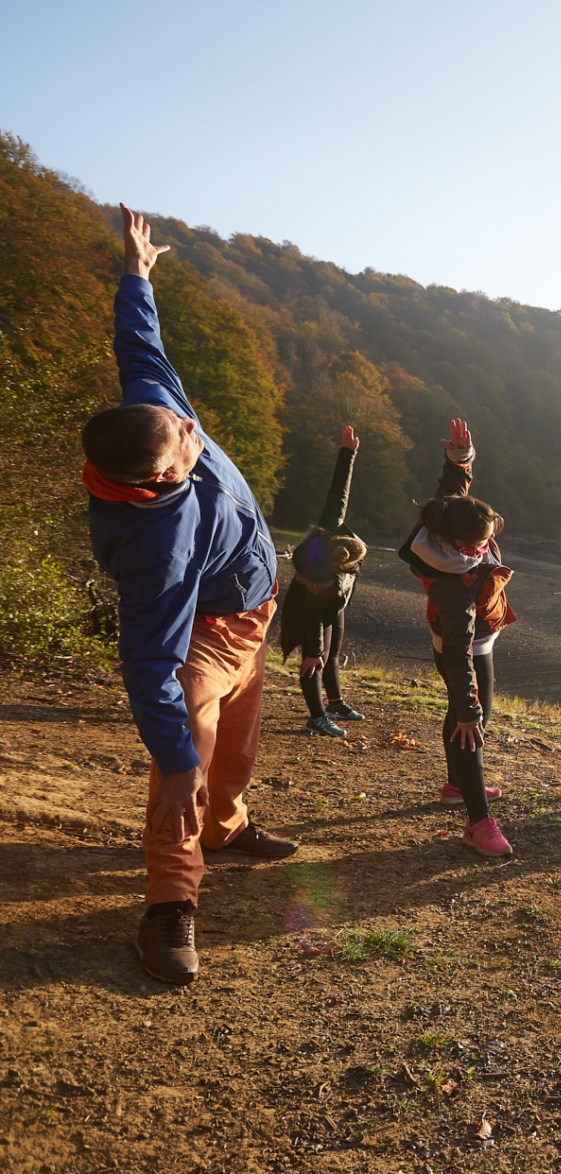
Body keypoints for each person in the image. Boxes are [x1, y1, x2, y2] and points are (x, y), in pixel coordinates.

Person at [81, 205, 297, 986]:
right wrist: (172, 758)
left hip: (254, 612)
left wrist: (136, 272)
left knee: (239, 746)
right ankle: (170, 905)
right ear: (164, 474)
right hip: (205, 633)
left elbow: (139, 344)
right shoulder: (155, 550)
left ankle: (228, 828)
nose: (194, 426)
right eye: (188, 439)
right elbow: (147, 660)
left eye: (183, 421)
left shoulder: (156, 413)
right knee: (192, 759)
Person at [398, 418, 515, 856]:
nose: (486, 547)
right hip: (462, 648)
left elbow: (452, 489)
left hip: (471, 642)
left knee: (465, 716)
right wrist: (468, 711)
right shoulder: (454, 588)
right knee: (473, 726)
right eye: (480, 544)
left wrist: (460, 457)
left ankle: (454, 785)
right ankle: (478, 820)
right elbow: (458, 656)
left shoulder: (446, 519)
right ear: (459, 545)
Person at [279, 425, 369, 738]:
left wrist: (348, 453)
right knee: (313, 660)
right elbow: (312, 618)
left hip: (332, 607)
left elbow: (338, 492)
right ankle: (316, 716)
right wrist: (313, 650)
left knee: (332, 655)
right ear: (339, 566)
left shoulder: (332, 529)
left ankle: (335, 703)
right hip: (307, 612)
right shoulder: (319, 581)